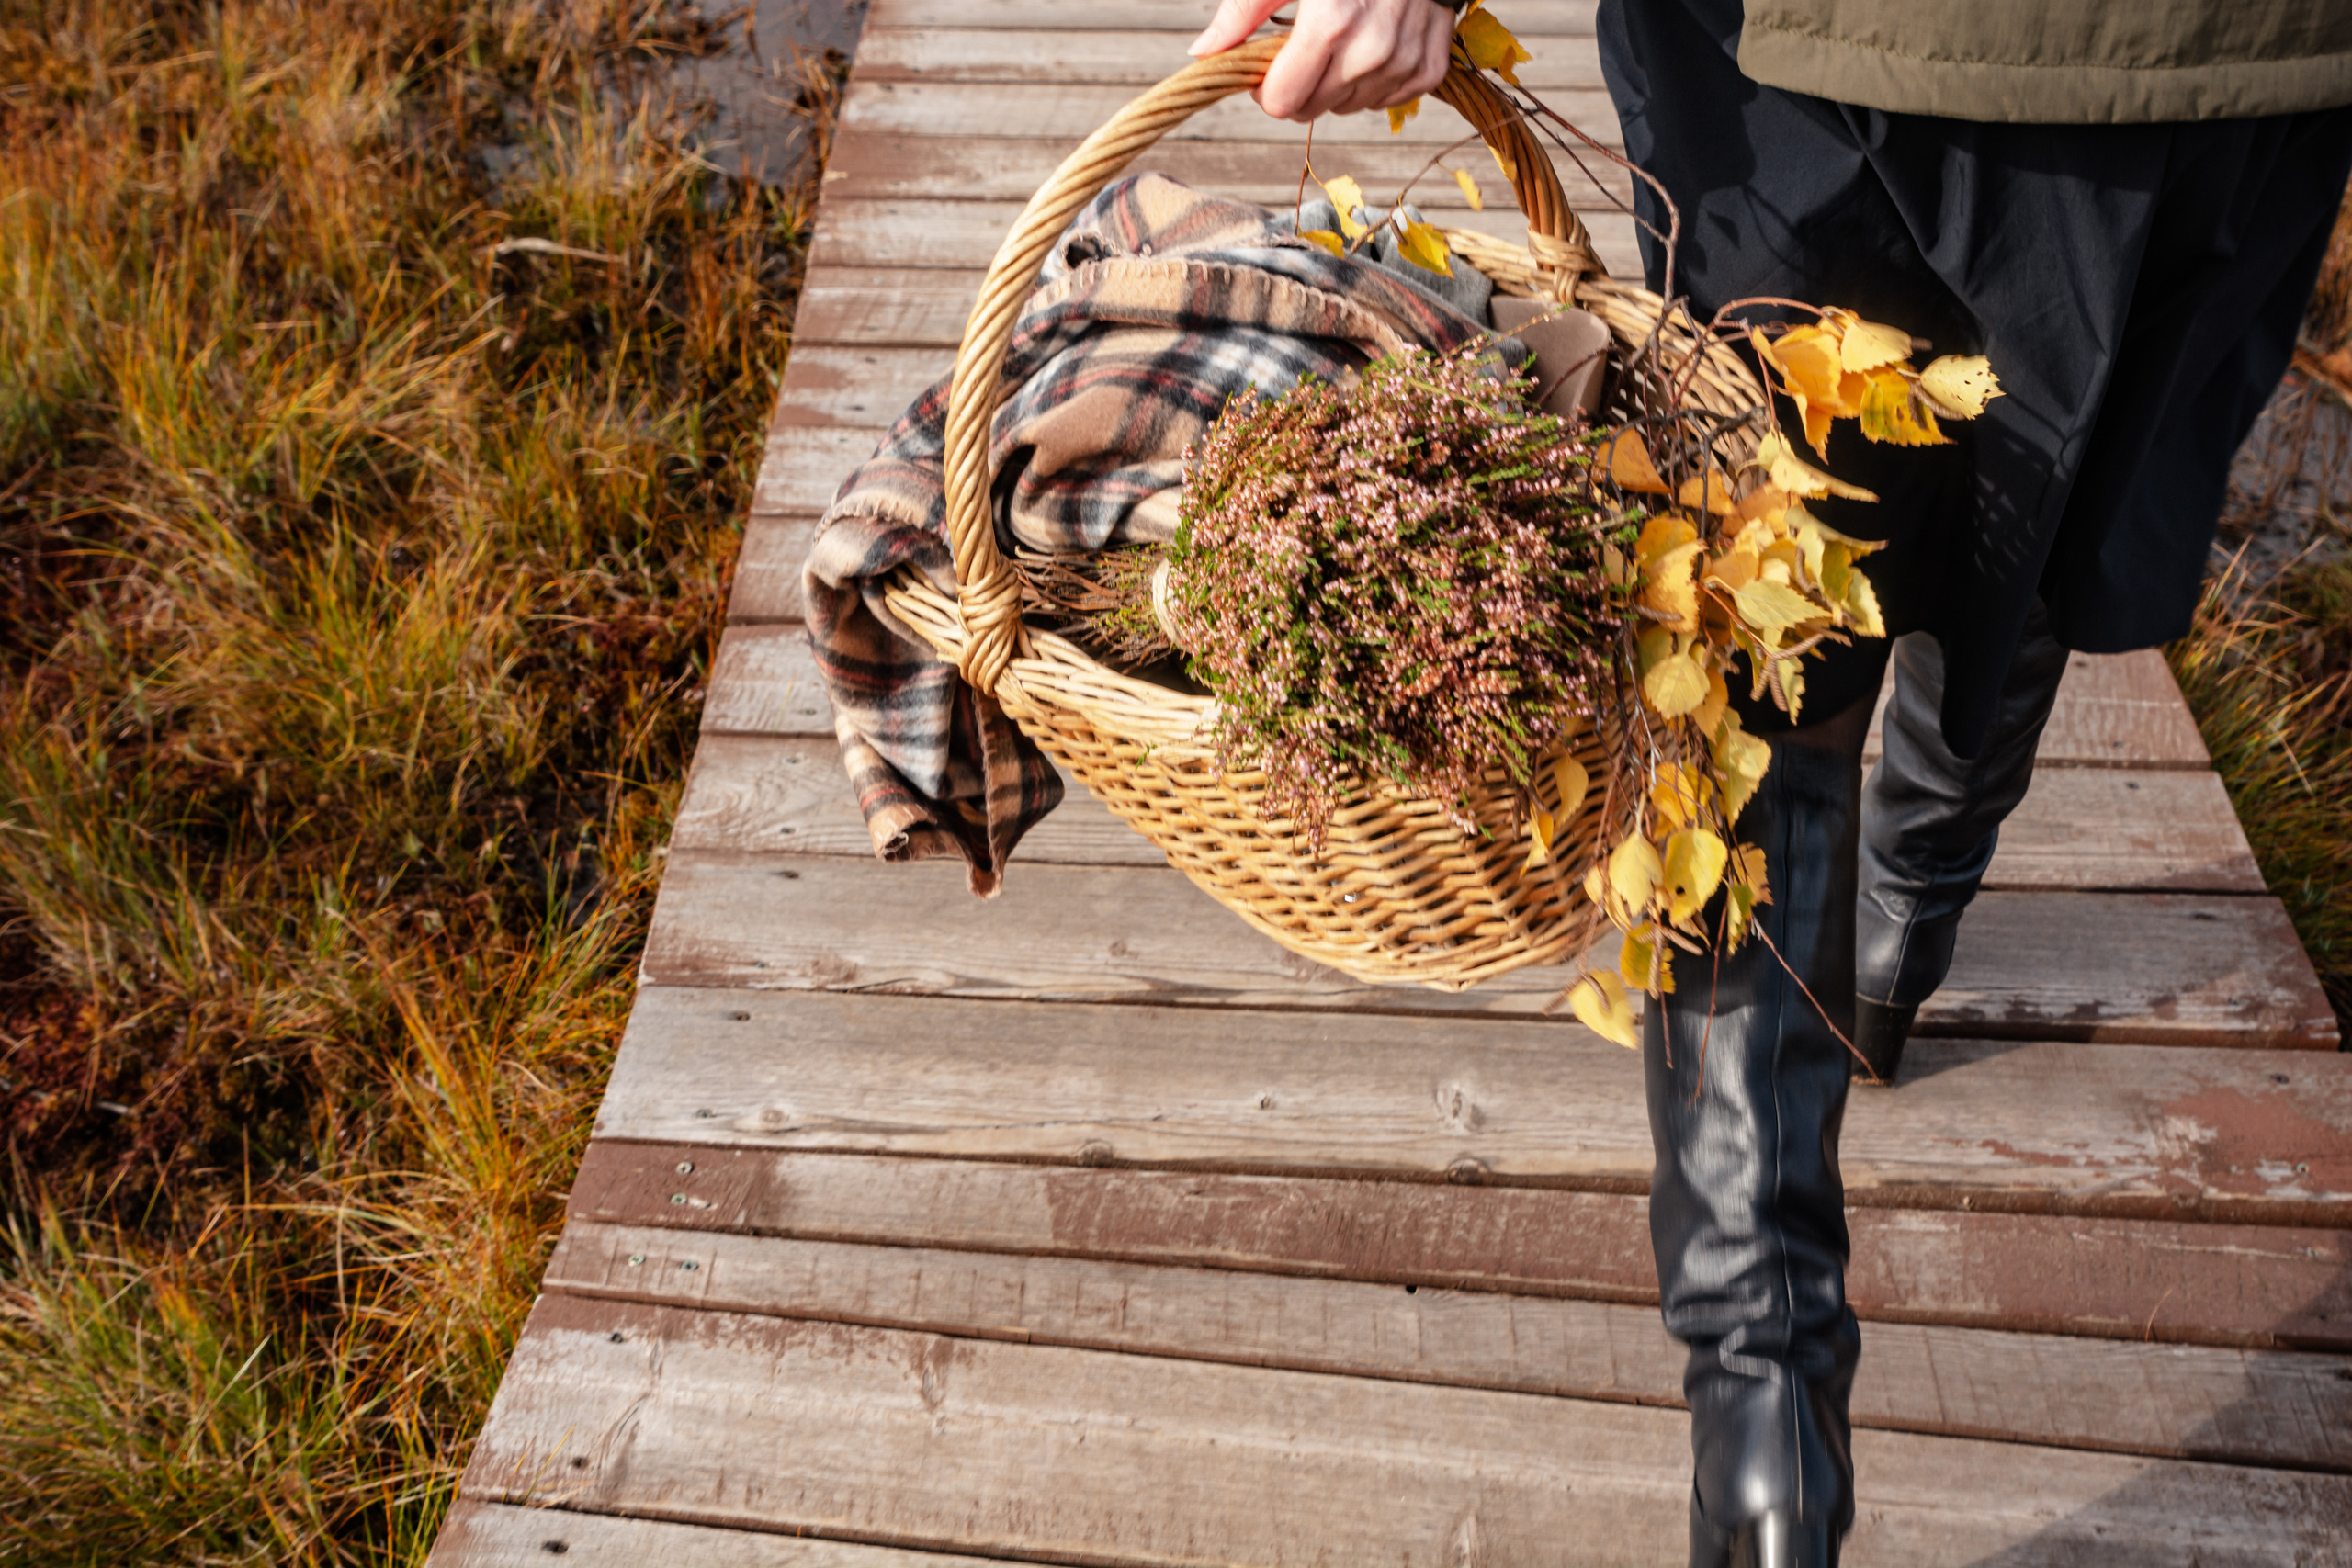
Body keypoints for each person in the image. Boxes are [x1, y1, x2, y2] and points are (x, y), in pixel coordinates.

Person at [1193, 1, 2352, 1562]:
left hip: (1828, 53)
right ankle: (1893, 953)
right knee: (2025, 524)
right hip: (2235, 59)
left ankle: (1768, 1448)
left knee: (1758, 616)